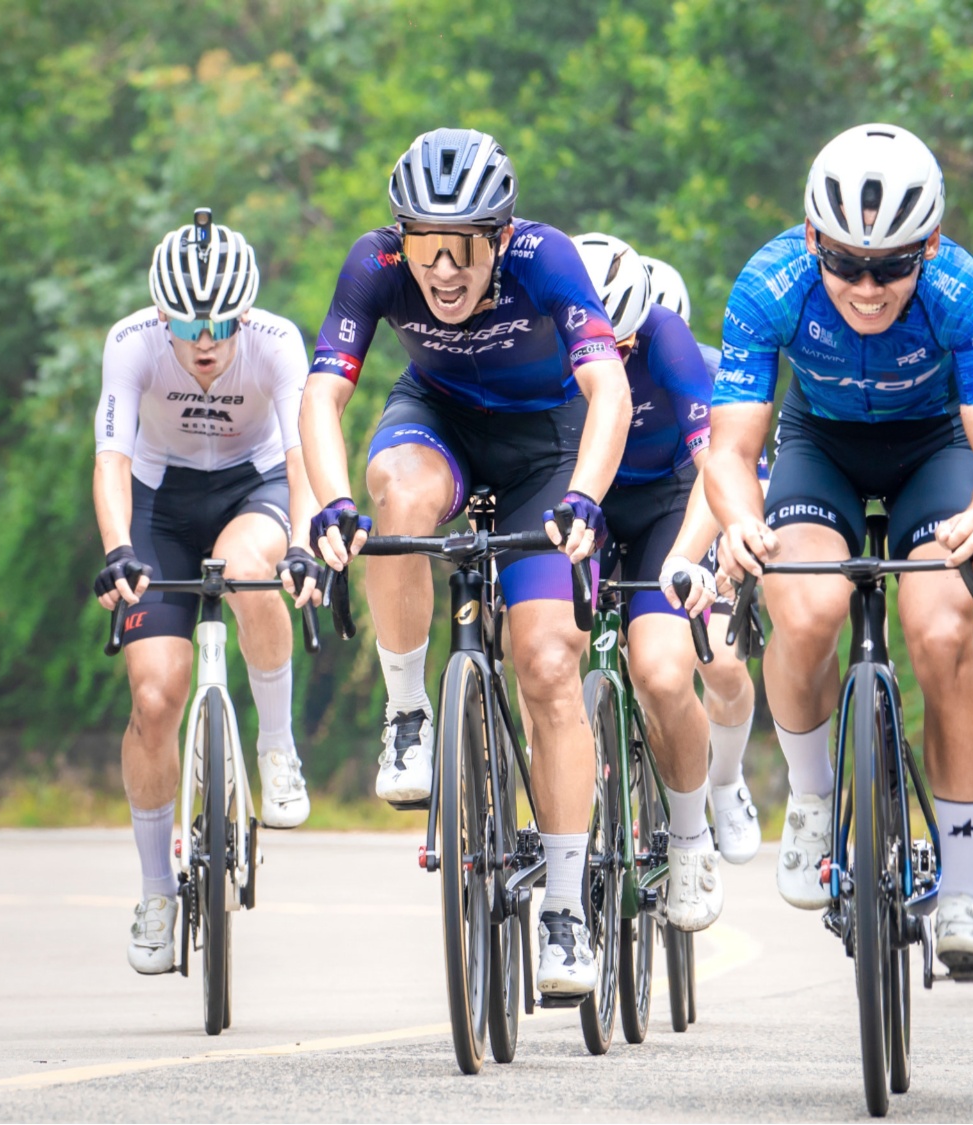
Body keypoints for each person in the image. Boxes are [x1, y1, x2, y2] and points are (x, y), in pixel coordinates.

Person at [299, 129, 631, 996]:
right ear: (400, 237)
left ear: (500, 236)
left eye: (463, 250)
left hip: (543, 448)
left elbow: (609, 387)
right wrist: (331, 502)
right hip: (437, 419)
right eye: (425, 248)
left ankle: (564, 910)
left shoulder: (544, 257)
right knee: (395, 497)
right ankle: (409, 713)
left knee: (547, 664)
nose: (442, 271)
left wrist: (585, 496)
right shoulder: (373, 262)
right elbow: (322, 394)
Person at [705, 123, 973, 977]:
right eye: (845, 263)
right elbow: (729, 448)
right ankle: (812, 793)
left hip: (933, 448)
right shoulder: (770, 282)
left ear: (929, 246)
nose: (865, 287)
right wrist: (738, 520)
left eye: (890, 267)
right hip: (820, 443)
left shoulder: (961, 289)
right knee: (806, 605)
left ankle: (963, 889)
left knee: (941, 632)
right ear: (811, 238)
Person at [93, 208, 319, 974]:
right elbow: (112, 460)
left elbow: (302, 458)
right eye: (188, 325)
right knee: (155, 696)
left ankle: (277, 746)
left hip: (254, 485)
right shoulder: (129, 343)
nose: (205, 342)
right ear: (162, 315)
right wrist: (119, 550)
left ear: (244, 313)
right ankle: (156, 891)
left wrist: (301, 544)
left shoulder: (277, 342)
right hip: (160, 502)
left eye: (221, 324)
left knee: (245, 566)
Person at [570, 233, 741, 928]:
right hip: (582, 497)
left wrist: (689, 555)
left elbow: (714, 464)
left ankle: (690, 839)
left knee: (665, 674)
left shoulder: (667, 338)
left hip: (665, 501)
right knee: (538, 648)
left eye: (624, 346)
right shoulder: (538, 334)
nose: (612, 362)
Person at [641, 254, 762, 863]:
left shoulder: (712, 372)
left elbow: (743, 472)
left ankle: (726, 778)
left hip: (704, 511)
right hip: (634, 513)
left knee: (722, 664)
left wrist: (730, 558)